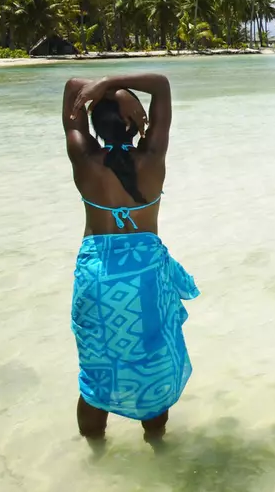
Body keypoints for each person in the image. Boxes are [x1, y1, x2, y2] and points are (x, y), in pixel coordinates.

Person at [62, 73, 198, 449]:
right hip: (146, 282)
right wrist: (118, 86)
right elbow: (163, 84)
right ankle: (156, 443)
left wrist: (105, 90)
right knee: (150, 361)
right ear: (135, 120)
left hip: (96, 278)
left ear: (93, 125)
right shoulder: (152, 160)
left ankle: (95, 454)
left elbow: (74, 86)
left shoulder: (85, 161)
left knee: (95, 372)